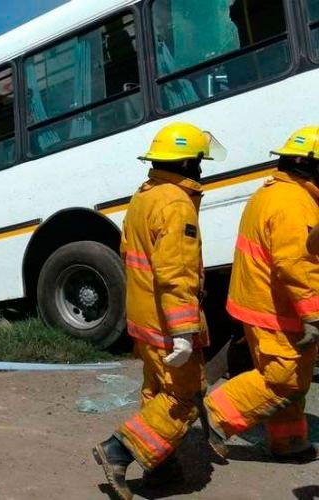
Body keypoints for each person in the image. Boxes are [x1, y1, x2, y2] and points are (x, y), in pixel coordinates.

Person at [92, 123, 223, 500]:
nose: (201, 169)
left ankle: (163, 470)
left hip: (145, 319)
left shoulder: (144, 197)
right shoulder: (175, 203)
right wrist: (183, 332)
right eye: (198, 161)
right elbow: (176, 273)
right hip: (168, 324)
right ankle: (118, 450)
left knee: (156, 392)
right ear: (186, 163)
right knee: (183, 399)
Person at [204, 126, 319, 462]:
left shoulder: (276, 192)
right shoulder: (293, 204)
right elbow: (297, 264)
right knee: (282, 381)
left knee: (291, 377)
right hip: (276, 309)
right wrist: (314, 313)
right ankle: (212, 416)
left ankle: (289, 441)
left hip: (263, 303)